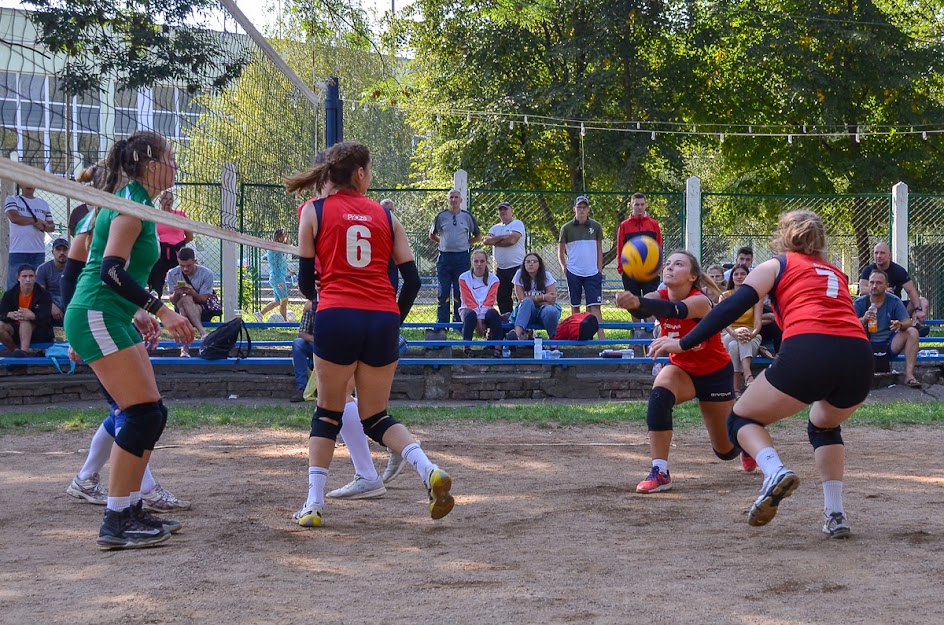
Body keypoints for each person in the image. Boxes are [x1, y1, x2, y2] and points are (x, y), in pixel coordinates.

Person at [651, 210, 873, 538]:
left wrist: (683, 342)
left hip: (811, 348)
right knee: (824, 424)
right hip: (859, 357)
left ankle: (773, 471)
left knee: (741, 420)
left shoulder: (778, 265)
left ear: (784, 237)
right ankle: (835, 514)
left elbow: (728, 307)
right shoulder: (836, 272)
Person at [289, 140, 451, 528]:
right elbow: (411, 280)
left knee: (327, 413)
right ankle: (428, 470)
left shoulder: (313, 211)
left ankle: (313, 505)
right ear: (359, 174)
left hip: (337, 314)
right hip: (381, 318)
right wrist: (393, 318)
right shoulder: (385, 214)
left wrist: (327, 298)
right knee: (375, 415)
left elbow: (305, 282)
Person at [63, 130, 194, 549]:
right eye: (169, 157)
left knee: (151, 413)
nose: (175, 165)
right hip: (96, 313)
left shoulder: (138, 204)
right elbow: (110, 272)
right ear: (148, 162)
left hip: (112, 313)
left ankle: (131, 507)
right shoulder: (128, 208)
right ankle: (116, 520)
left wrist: (138, 311)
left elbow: (115, 273)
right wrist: (161, 309)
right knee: (139, 414)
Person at [616, 250, 749, 494]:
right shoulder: (661, 293)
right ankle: (660, 471)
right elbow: (648, 307)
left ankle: (745, 443)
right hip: (682, 370)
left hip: (714, 374)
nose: (669, 267)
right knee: (659, 395)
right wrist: (632, 302)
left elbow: (674, 310)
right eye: (667, 264)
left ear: (692, 276)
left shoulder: (700, 300)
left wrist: (641, 302)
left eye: (678, 264)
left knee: (725, 451)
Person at [854, 268, 921, 387]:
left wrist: (899, 325)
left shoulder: (894, 301)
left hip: (889, 343)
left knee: (912, 332)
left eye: (879, 283)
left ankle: (909, 376)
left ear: (887, 285)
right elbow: (848, 326)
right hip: (865, 345)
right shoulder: (860, 303)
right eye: (872, 282)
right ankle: (849, 376)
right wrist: (863, 319)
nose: (874, 286)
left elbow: (908, 322)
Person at [429, 189, 482, 323]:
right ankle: (442, 323)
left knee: (460, 291)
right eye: (451, 197)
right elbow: (432, 234)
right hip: (444, 259)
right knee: (443, 291)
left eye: (456, 197)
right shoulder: (441, 216)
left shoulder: (467, 217)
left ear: (461, 200)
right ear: (448, 200)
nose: (454, 200)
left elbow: (478, 236)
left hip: (461, 259)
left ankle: (458, 322)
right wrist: (444, 242)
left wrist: (466, 243)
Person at [558, 195, 605, 338]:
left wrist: (599, 269)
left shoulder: (596, 226)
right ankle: (577, 335)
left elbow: (599, 249)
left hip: (592, 272)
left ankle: (602, 339)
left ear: (589, 209)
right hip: (573, 272)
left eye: (584, 207)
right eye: (579, 207)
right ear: (574, 209)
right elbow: (560, 251)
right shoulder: (566, 228)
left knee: (595, 306)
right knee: (575, 306)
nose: (582, 210)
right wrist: (564, 268)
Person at [616, 193, 663, 329]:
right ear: (632, 205)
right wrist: (621, 269)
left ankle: (650, 334)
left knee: (650, 302)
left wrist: (658, 266)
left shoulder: (653, 225)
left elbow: (659, 246)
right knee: (633, 303)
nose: (640, 207)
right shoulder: (624, 225)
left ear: (645, 205)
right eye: (637, 204)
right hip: (630, 271)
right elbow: (620, 247)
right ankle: (637, 334)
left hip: (650, 271)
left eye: (642, 204)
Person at [858, 242, 928, 327]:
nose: (879, 256)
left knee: (923, 301)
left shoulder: (899, 270)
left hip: (895, 308)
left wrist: (918, 309)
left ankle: (916, 326)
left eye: (882, 253)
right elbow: (862, 290)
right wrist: (882, 290)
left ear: (889, 255)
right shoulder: (867, 270)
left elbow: (911, 290)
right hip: (874, 309)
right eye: (876, 253)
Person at [721, 264, 764, 395]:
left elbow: (757, 323)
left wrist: (751, 335)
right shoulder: (724, 296)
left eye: (742, 274)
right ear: (732, 278)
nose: (739, 277)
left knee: (736, 345)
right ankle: (748, 375)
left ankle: (736, 390)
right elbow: (724, 322)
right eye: (736, 274)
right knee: (737, 337)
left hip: (751, 335)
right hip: (728, 334)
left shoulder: (757, 297)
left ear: (748, 277)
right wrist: (735, 332)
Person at [165, 247, 216, 354]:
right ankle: (203, 333)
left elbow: (203, 299)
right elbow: (172, 301)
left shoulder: (207, 274)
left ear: (195, 261)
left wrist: (192, 292)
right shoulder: (172, 273)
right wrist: (176, 293)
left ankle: (184, 349)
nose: (185, 269)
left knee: (185, 304)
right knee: (184, 300)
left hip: (201, 308)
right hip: (179, 305)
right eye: (182, 266)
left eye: (188, 266)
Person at [5, 184, 55, 290]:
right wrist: (35, 221)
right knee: (14, 286)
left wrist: (44, 226)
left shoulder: (43, 204)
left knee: (37, 286)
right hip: (18, 251)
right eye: (26, 182)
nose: (29, 185)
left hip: (38, 251)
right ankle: (13, 307)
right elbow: (14, 218)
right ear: (20, 184)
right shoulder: (12, 199)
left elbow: (51, 226)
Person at [0, 264, 54, 354]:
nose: (28, 280)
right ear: (18, 277)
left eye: (31, 276)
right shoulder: (9, 294)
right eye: (24, 276)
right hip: (15, 330)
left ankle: (24, 352)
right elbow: (2, 313)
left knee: (25, 321)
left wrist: (33, 316)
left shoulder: (44, 295)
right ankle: (16, 352)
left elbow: (46, 318)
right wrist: (8, 315)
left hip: (38, 331)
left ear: (35, 278)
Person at [483, 201, 526, 316]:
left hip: (517, 267)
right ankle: (507, 323)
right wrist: (502, 237)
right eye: (501, 210)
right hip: (501, 269)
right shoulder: (496, 227)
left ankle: (522, 322)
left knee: (521, 296)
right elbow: (486, 241)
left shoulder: (517, 224)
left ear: (511, 211)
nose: (503, 212)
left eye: (505, 209)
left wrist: (496, 241)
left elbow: (512, 240)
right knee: (502, 297)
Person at [147, 190, 193, 294]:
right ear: (160, 200)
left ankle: (181, 299)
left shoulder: (180, 215)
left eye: (170, 199)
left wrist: (179, 244)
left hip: (177, 251)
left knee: (180, 277)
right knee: (156, 279)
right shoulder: (153, 215)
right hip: (160, 252)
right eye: (165, 198)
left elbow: (190, 236)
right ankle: (155, 299)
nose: (168, 201)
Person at [458, 249, 503, 357]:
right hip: (467, 309)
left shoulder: (494, 279)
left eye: (482, 261)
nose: (479, 264)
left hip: (486, 311)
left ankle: (498, 348)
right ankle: (466, 347)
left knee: (494, 314)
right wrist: (478, 320)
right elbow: (468, 301)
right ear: (472, 262)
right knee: (470, 315)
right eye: (476, 261)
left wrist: (481, 317)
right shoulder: (463, 278)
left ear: (486, 262)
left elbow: (490, 301)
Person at [508, 252, 561, 341]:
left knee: (550, 310)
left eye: (534, 261)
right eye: (528, 262)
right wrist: (543, 297)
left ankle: (554, 342)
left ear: (539, 264)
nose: (531, 264)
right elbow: (521, 299)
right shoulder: (519, 275)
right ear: (524, 264)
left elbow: (551, 301)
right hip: (527, 311)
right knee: (527, 302)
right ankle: (515, 337)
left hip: (544, 311)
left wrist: (532, 299)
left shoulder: (547, 275)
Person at [256, 228, 294, 322]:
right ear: (279, 237)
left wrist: (289, 271)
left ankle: (260, 314)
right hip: (277, 278)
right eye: (284, 236)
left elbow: (281, 262)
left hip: (277, 277)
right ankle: (285, 321)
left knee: (278, 301)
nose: (286, 238)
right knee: (284, 299)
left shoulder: (279, 249)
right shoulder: (276, 247)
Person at [35, 237, 69, 324]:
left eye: (65, 250)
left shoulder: (75, 268)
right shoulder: (43, 269)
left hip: (70, 303)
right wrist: (51, 306)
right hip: (51, 303)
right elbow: (40, 293)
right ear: (52, 252)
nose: (62, 252)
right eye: (58, 249)